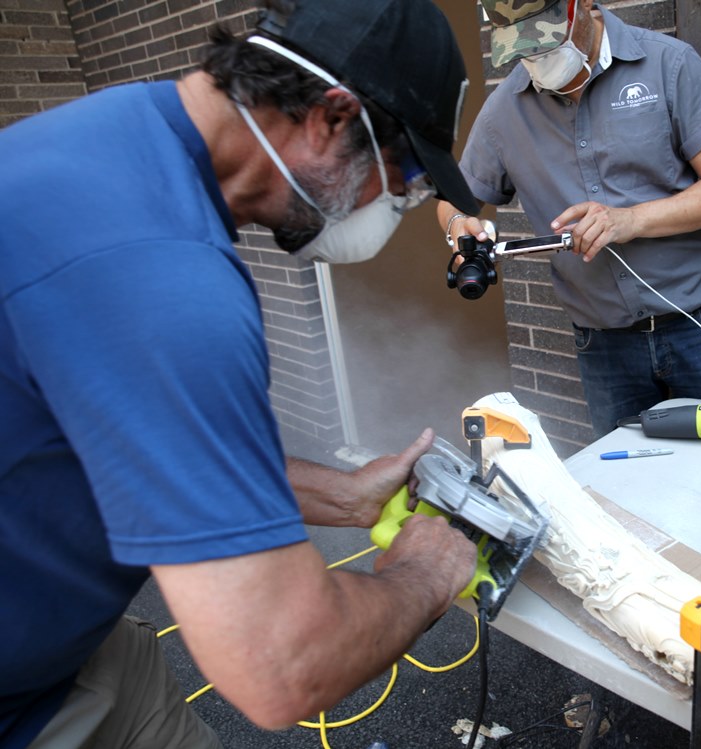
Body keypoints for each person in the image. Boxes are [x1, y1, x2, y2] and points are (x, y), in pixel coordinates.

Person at [0, 0, 481, 746]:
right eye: (406, 174)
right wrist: (422, 571)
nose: (399, 204)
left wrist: (347, 497)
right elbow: (284, 665)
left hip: (71, 647)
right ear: (329, 114)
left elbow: (139, 440)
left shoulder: (124, 134)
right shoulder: (158, 278)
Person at [436, 0, 701, 438]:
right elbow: (452, 201)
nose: (538, 59)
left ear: (584, 6)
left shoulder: (669, 64)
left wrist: (630, 220)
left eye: (548, 39)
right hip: (604, 345)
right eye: (522, 49)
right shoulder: (504, 110)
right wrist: (460, 227)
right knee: (624, 486)